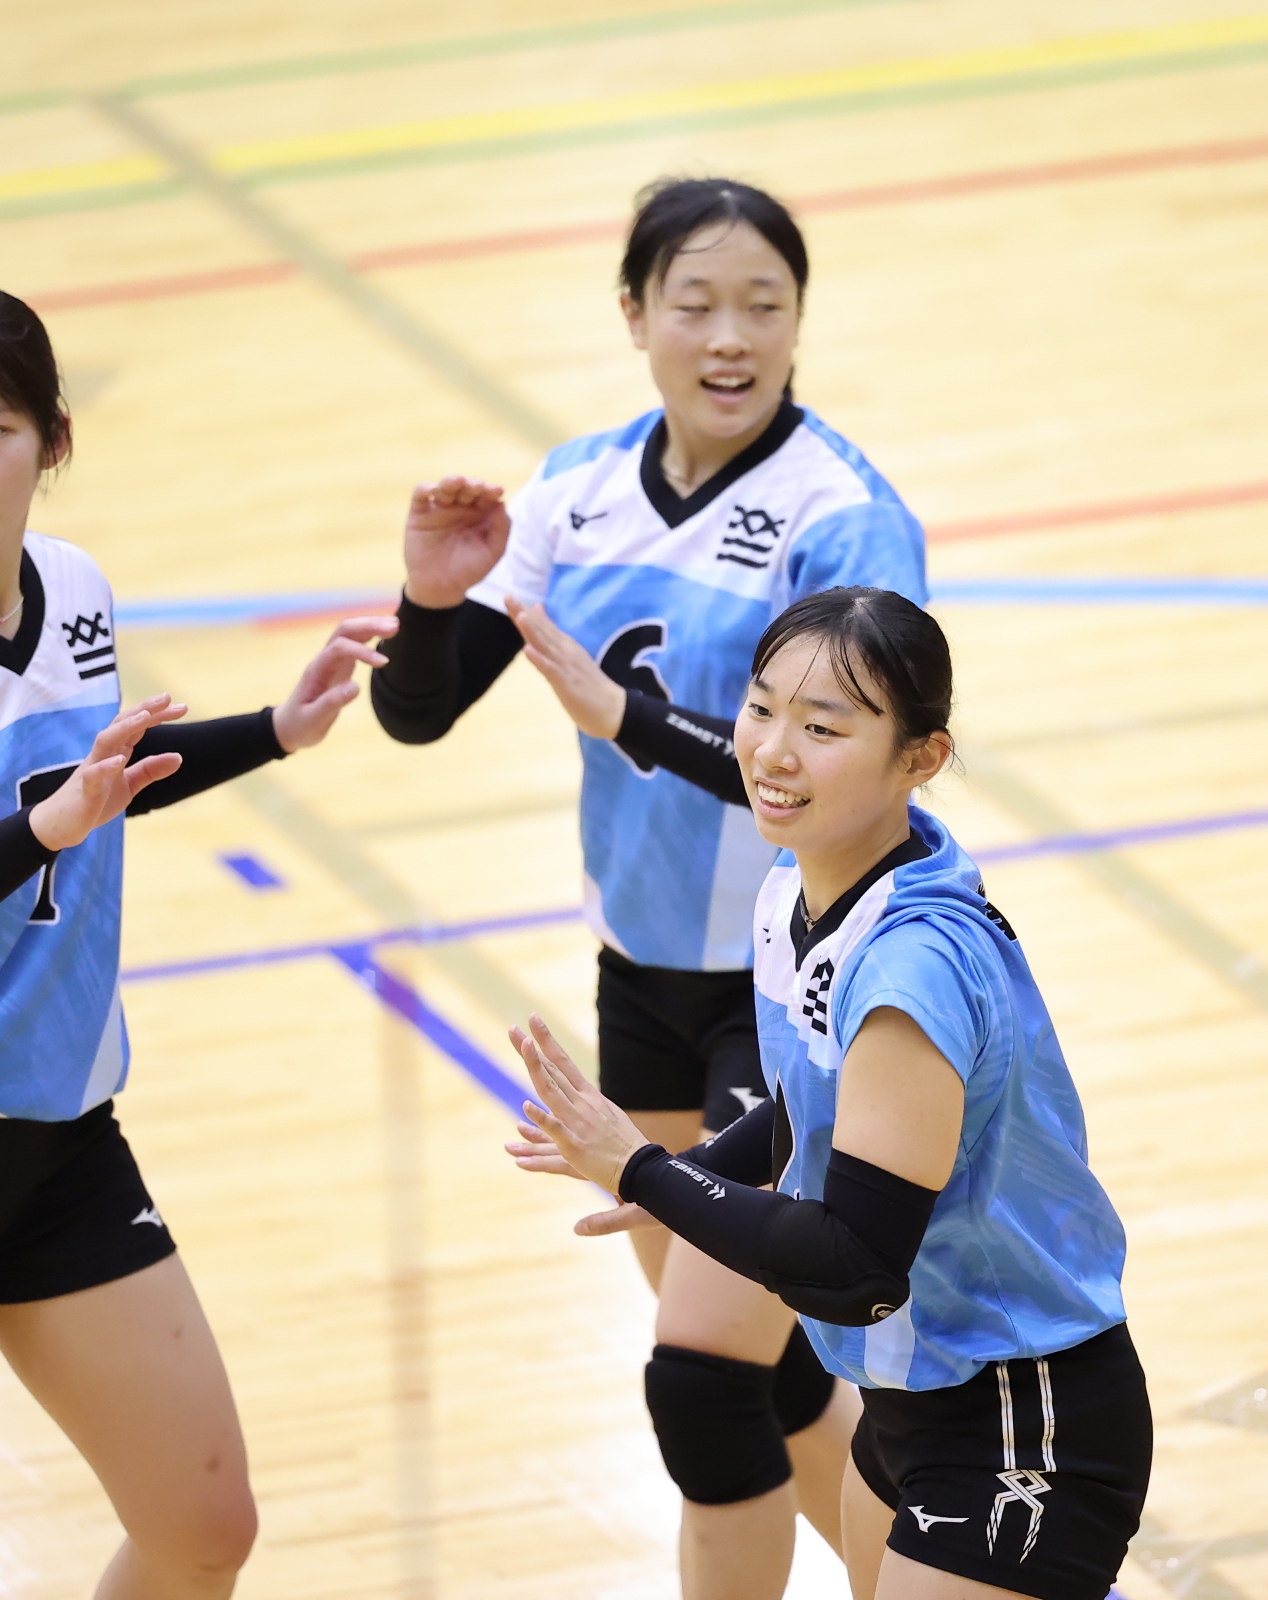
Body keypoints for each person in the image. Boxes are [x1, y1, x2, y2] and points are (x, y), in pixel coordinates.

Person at [0, 283, 395, 1599]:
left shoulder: (74, 588)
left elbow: (91, 777)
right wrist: (42, 829)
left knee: (203, 1526)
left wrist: (277, 728)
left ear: (52, 438)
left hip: (58, 1143)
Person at [370, 179, 927, 1594]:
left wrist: (628, 721)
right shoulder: (579, 488)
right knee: (764, 1370)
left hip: (793, 986)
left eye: (764, 306)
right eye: (695, 304)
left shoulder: (843, 519)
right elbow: (419, 714)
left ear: (799, 321)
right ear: (634, 315)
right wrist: (431, 600)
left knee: (703, 1372)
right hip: (644, 978)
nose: (730, 337)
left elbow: (840, 778)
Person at [504, 588, 1150, 1600]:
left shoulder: (909, 969)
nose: (772, 751)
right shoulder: (804, 891)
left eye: (822, 728)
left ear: (921, 757)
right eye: (761, 708)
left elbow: (857, 1267)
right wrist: (687, 1172)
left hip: (1021, 1417)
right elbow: (818, 1106)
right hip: (907, 1397)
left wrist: (646, 1171)